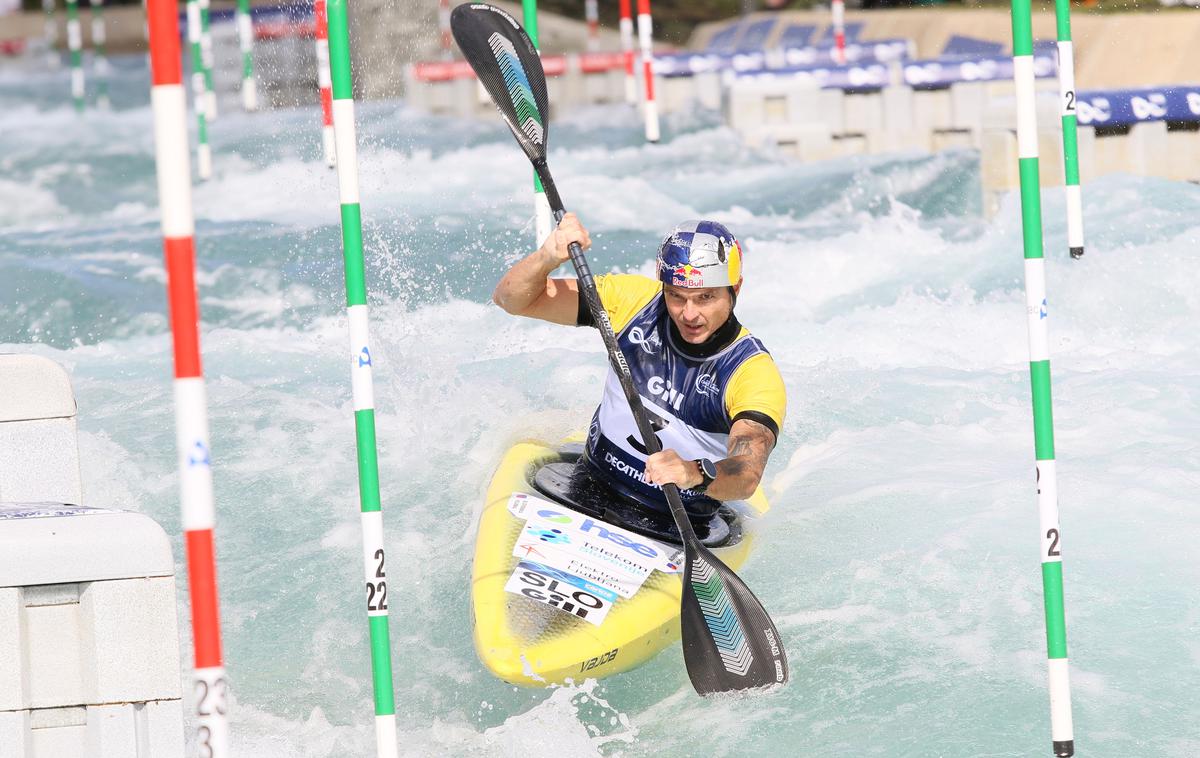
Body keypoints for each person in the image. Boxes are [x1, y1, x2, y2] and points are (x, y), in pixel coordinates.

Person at [493, 214, 786, 526]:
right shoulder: (634, 302)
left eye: (706, 298)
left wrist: (693, 471)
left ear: (735, 288)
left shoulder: (752, 372)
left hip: (680, 523)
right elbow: (510, 300)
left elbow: (747, 471)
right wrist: (546, 258)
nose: (689, 314)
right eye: (676, 296)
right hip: (587, 483)